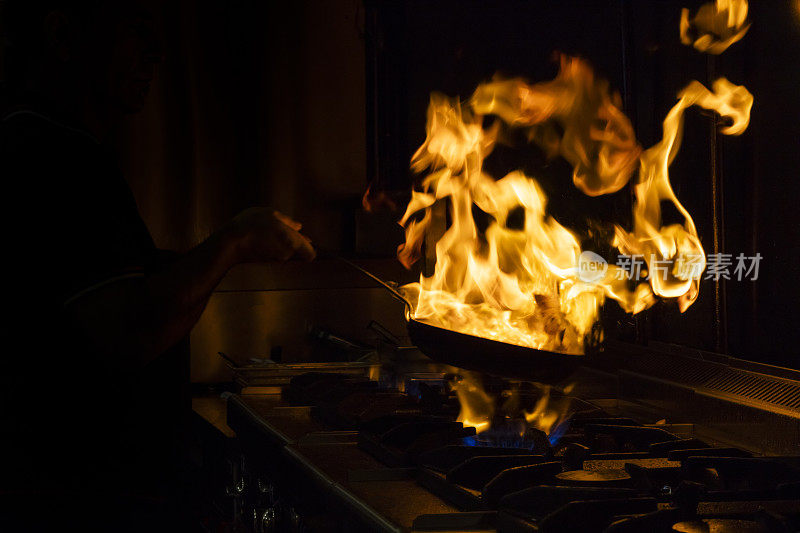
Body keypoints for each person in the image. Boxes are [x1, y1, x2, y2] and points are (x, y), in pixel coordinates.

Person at [0, 0, 314, 529]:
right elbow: (128, 329)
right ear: (61, 34)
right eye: (135, 31)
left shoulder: (38, 140)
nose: (156, 54)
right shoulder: (52, 156)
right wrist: (235, 241)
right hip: (67, 499)